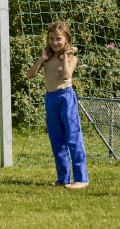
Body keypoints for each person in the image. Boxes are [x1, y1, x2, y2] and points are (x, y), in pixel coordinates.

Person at [26, 21, 89, 189]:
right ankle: (63, 178)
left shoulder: (71, 58)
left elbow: (66, 76)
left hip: (66, 98)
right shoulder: (47, 58)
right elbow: (30, 75)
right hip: (50, 99)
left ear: (66, 39)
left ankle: (81, 178)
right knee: (56, 139)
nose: (54, 42)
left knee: (73, 138)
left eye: (58, 39)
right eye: (51, 38)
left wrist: (66, 56)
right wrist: (42, 58)